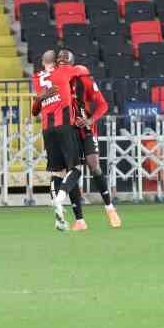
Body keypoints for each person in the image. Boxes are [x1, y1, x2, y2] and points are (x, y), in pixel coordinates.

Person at [56, 49, 121, 227]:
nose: (62, 66)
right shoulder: (54, 84)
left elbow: (103, 104)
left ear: (71, 65)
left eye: (65, 63)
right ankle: (80, 220)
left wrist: (90, 120)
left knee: (94, 165)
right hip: (67, 132)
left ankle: (110, 207)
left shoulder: (83, 79)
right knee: (72, 171)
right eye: (59, 63)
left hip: (86, 128)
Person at [31, 51, 87, 231]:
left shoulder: (37, 78)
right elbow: (82, 70)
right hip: (64, 126)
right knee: (76, 169)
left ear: (42, 62)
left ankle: (59, 217)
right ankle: (61, 197)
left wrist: (39, 98)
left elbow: (34, 111)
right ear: (56, 62)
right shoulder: (63, 71)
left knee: (57, 173)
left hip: (47, 130)